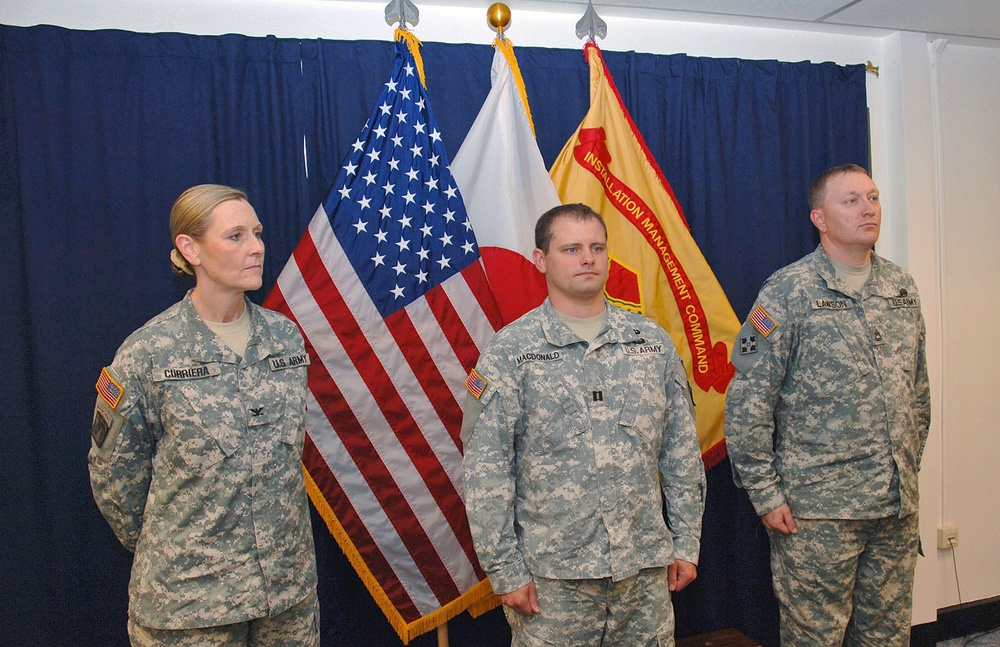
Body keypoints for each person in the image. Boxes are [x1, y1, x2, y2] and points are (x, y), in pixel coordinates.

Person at [461, 203, 706, 646]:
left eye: (596, 247)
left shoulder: (650, 343)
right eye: (571, 249)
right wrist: (504, 570)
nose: (587, 258)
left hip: (644, 572)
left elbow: (681, 452)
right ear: (541, 260)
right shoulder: (510, 352)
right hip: (554, 579)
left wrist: (686, 539)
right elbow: (486, 471)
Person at [88, 184, 320, 646]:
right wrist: (179, 551)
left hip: (286, 597)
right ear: (189, 248)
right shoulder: (148, 354)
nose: (256, 247)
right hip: (190, 608)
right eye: (235, 236)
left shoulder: (286, 340)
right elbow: (114, 478)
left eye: (257, 233)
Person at [725, 164, 930, 646]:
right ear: (819, 217)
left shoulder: (901, 288)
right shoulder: (785, 292)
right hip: (818, 512)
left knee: (887, 636)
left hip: (895, 507)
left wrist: (906, 467)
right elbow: (747, 401)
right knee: (815, 637)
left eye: (874, 197)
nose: (868, 208)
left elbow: (917, 393)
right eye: (851, 200)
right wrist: (765, 492)